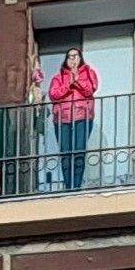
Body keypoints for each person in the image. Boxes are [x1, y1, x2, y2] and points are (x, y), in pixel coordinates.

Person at [47, 45, 97, 193]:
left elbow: (90, 89)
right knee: (66, 153)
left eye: (76, 56)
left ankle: (76, 186)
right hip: (63, 118)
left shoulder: (88, 72)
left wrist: (77, 80)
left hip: (83, 115)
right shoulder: (58, 77)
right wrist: (69, 84)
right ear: (66, 59)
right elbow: (53, 94)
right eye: (70, 56)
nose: (73, 59)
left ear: (80, 58)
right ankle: (69, 186)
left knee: (79, 152)